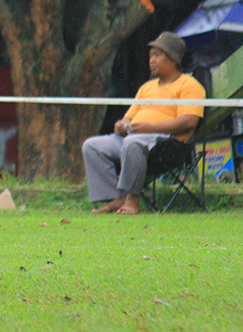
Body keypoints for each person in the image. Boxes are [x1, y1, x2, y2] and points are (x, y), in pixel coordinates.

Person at [82, 31, 205, 215]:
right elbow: (129, 116)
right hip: (134, 138)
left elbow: (189, 121)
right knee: (92, 146)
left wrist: (151, 128)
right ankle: (116, 198)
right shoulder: (146, 87)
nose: (151, 61)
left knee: (133, 144)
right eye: (150, 56)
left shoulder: (189, 85)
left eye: (157, 55)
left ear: (173, 59)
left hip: (166, 144)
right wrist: (122, 125)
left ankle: (132, 200)